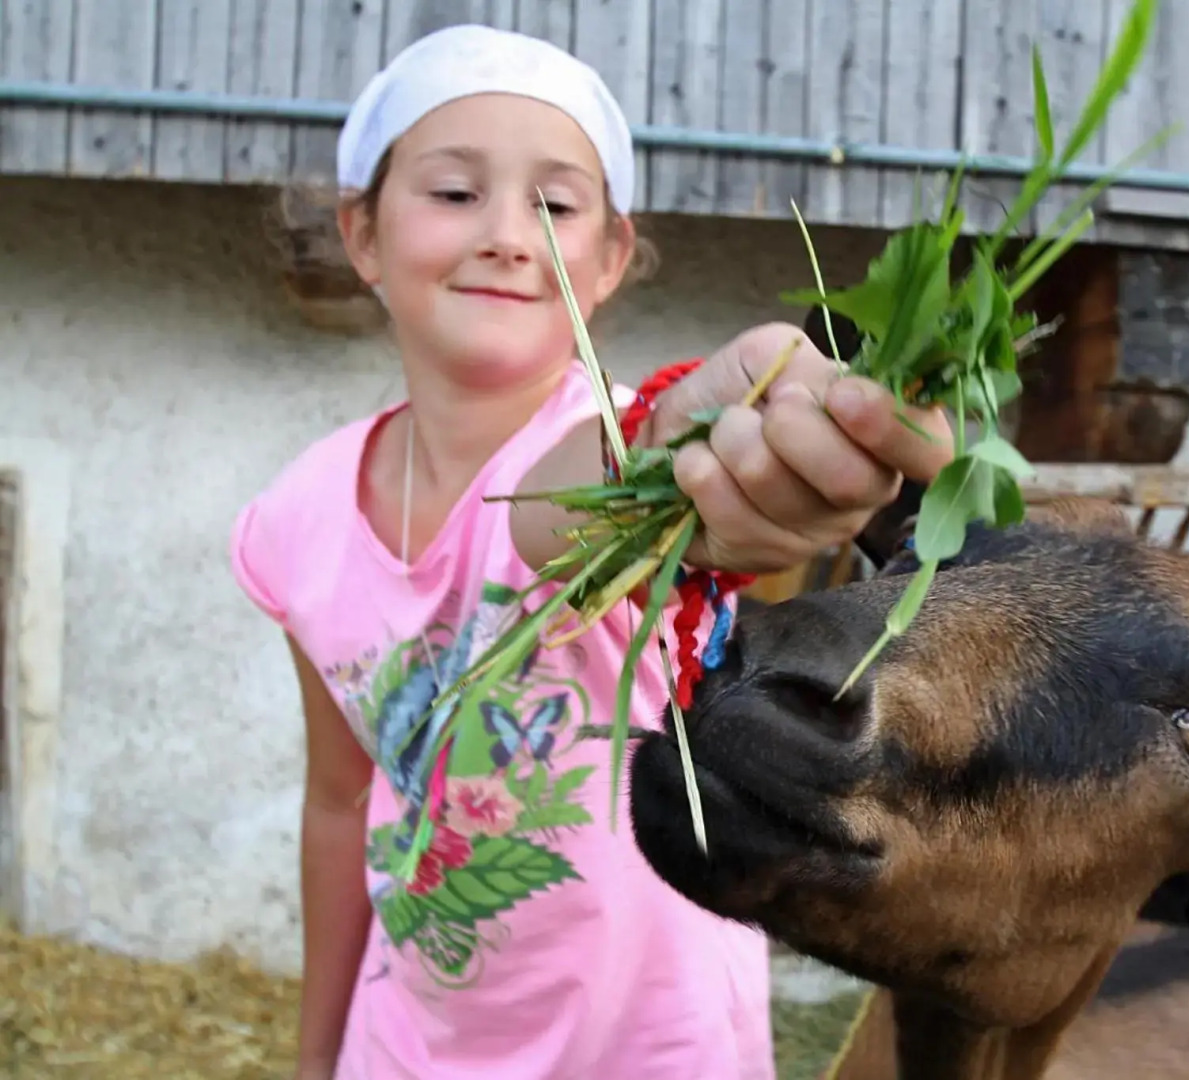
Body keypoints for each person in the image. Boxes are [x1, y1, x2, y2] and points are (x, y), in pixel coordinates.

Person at [230, 23, 952, 1080]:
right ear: (363, 233)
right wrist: (317, 1059)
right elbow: (341, 800)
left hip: (655, 1054)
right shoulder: (296, 520)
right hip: (404, 1050)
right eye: (454, 192)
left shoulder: (613, 460)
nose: (507, 234)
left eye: (556, 206)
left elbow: (576, 503)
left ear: (608, 258)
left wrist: (691, 436)